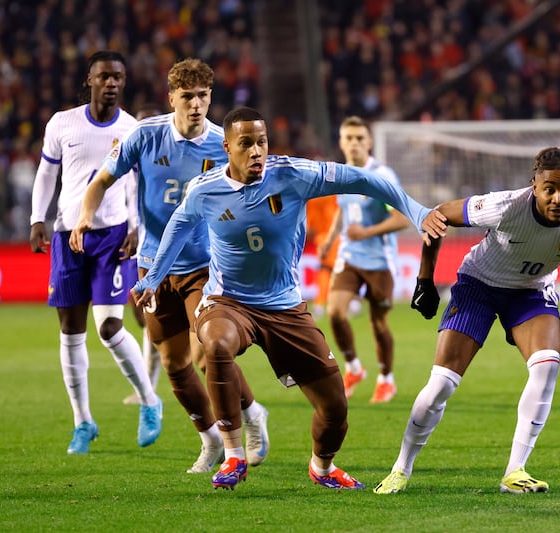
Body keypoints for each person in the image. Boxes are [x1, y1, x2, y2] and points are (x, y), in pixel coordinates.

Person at [131, 106, 447, 490]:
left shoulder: (294, 175)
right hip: (228, 301)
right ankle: (233, 454)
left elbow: (365, 180)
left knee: (334, 409)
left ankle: (323, 467)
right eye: (245, 144)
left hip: (284, 307)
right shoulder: (205, 189)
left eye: (261, 142)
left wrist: (417, 212)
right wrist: (155, 277)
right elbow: (178, 225)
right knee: (214, 344)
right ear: (226, 147)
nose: (256, 152)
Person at [373, 147, 560, 495]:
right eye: (550, 189)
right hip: (479, 287)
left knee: (547, 367)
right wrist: (425, 280)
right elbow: (438, 216)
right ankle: (401, 468)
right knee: (442, 385)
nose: (559, 198)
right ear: (534, 186)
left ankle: (515, 472)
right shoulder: (506, 206)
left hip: (530, 294)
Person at [70, 59, 270, 474]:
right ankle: (210, 440)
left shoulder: (224, 142)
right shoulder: (145, 136)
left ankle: (251, 416)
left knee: (211, 349)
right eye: (187, 97)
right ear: (171, 98)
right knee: (176, 363)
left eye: (203, 96)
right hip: (154, 267)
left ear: (210, 98)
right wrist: (85, 215)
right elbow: (101, 181)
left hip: (205, 264)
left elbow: (251, 197)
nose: (196, 105)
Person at [29, 50, 162, 455]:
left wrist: (138, 226)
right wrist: (38, 218)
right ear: (89, 79)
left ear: (124, 82)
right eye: (104, 76)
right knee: (71, 333)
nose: (111, 83)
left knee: (108, 329)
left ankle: (149, 400)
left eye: (118, 77)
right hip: (68, 235)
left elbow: (141, 184)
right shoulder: (62, 123)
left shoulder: (131, 128)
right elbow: (47, 172)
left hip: (113, 238)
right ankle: (83, 422)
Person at [319, 116, 410, 404]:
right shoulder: (341, 174)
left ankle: (386, 379)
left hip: (380, 260)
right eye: (349, 138)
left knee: (378, 324)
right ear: (341, 142)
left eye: (360, 138)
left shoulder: (382, 177)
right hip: (350, 256)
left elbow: (401, 219)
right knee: (334, 312)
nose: (354, 143)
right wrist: (331, 239)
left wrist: (367, 231)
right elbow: (342, 209)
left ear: (369, 142)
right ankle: (354, 368)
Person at [123, 103, 164, 406]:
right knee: (145, 318)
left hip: (179, 253)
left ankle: (149, 387)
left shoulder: (171, 161)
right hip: (139, 250)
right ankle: (149, 385)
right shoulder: (127, 163)